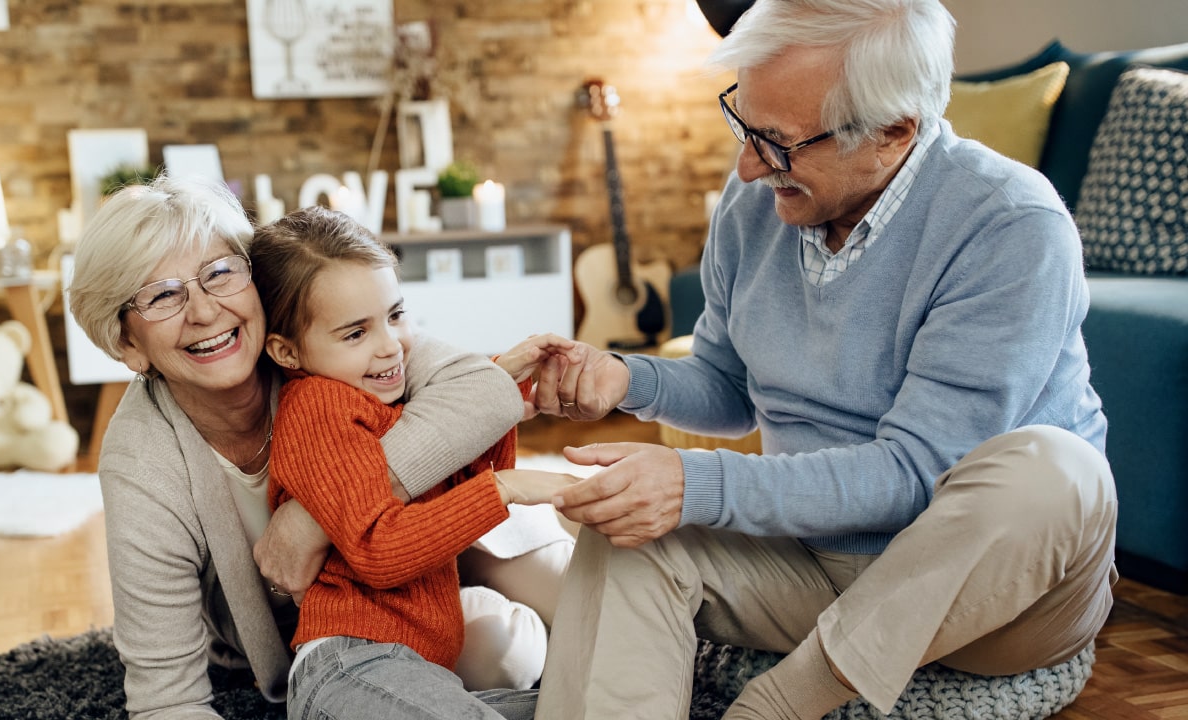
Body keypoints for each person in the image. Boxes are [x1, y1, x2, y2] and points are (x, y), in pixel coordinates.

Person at [529, 1, 1117, 719]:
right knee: (627, 535)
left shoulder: (1010, 224)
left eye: (776, 143)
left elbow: (911, 471)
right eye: (743, 125)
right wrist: (624, 378)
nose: (747, 165)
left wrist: (695, 483)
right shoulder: (758, 201)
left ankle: (777, 706)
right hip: (813, 563)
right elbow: (728, 384)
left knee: (1055, 471)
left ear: (894, 131)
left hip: (993, 600)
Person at [67, 174, 574, 719]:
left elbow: (482, 393)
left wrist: (314, 517)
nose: (206, 311)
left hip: (455, 557)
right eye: (163, 295)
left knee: (600, 600)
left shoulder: (337, 336)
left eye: (219, 273)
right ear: (126, 344)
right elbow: (166, 699)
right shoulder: (142, 461)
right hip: (340, 636)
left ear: (254, 281)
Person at [249, 206, 580, 719]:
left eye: (395, 316)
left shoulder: (385, 402)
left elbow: (463, 485)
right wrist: (506, 490)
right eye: (355, 334)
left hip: (418, 670)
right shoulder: (319, 407)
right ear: (287, 353)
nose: (391, 347)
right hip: (349, 664)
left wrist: (499, 393)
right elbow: (378, 548)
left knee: (592, 703)